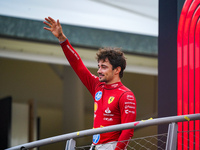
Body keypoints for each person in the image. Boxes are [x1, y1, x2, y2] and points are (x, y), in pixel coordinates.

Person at [43, 17, 137, 150]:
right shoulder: (97, 85)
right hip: (94, 146)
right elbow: (78, 65)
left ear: (117, 70)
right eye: (98, 66)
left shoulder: (126, 95)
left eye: (104, 67)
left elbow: (128, 131)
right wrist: (62, 39)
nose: (99, 70)